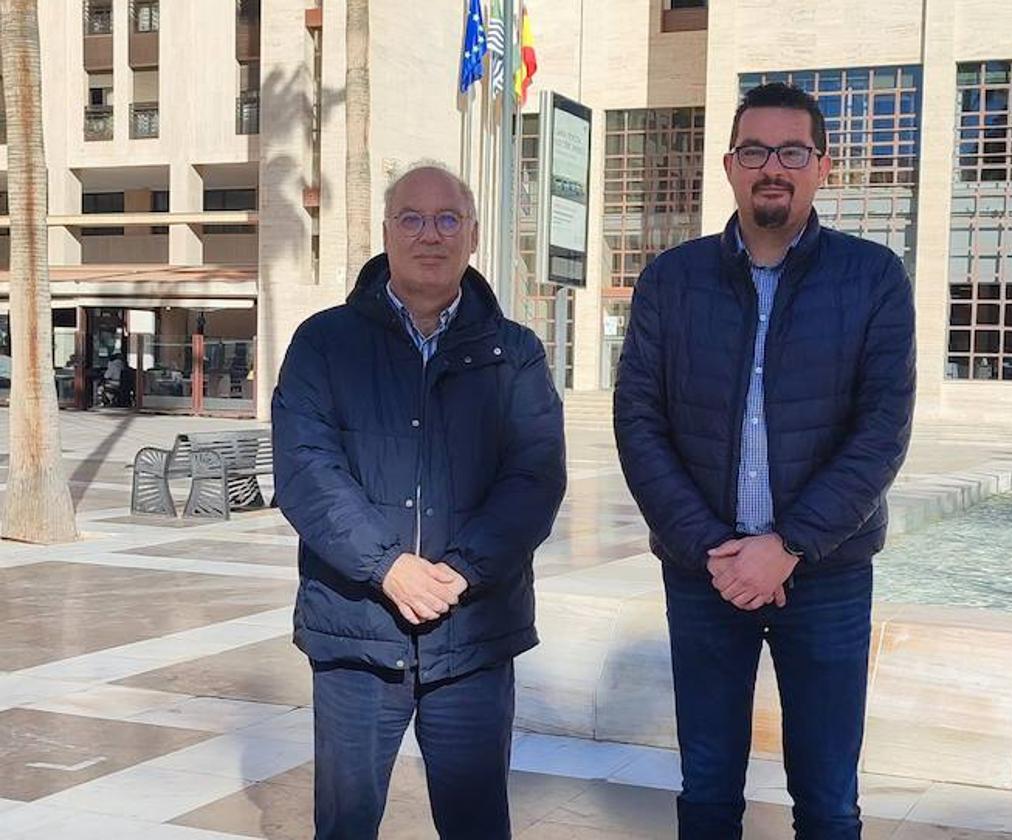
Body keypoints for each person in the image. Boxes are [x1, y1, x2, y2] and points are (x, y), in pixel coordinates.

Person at [613, 83, 917, 839]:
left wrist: (786, 547)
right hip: (702, 572)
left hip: (827, 574)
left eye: (791, 151)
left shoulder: (873, 278)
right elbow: (638, 421)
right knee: (708, 790)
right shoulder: (671, 280)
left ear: (823, 167)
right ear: (729, 166)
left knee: (827, 799)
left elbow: (881, 431)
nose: (771, 167)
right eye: (755, 151)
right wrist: (712, 550)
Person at [272, 163, 567, 840]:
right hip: (357, 633)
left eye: (445, 220)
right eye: (411, 217)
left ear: (471, 236)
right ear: (386, 232)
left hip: (472, 635)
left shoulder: (513, 353)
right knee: (344, 828)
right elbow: (307, 472)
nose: (428, 234)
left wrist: (462, 569)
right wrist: (387, 567)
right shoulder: (325, 343)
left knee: (476, 827)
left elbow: (534, 476)